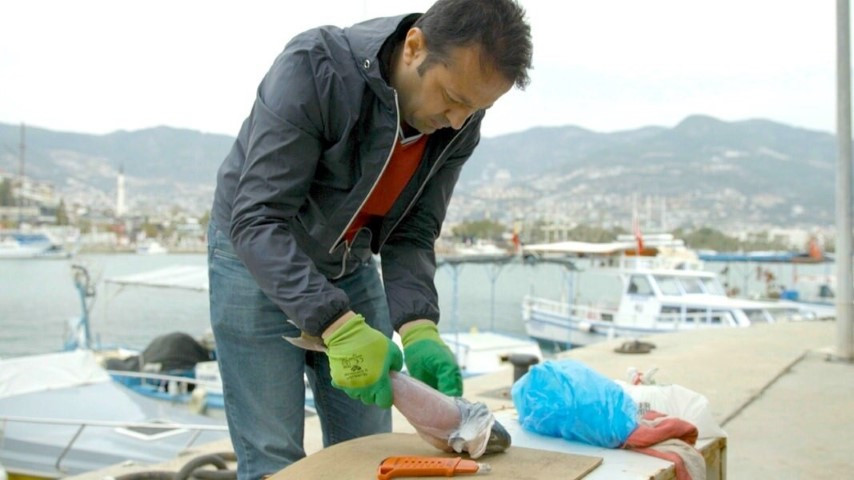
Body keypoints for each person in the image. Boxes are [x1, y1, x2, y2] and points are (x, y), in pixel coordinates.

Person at [207, 0, 533, 477]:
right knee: (273, 457)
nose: (459, 121)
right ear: (414, 47)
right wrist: (337, 325)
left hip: (348, 262)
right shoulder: (314, 68)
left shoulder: (460, 119)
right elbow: (257, 217)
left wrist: (419, 325)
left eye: (477, 109)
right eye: (452, 97)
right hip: (255, 258)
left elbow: (414, 229)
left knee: (370, 448)